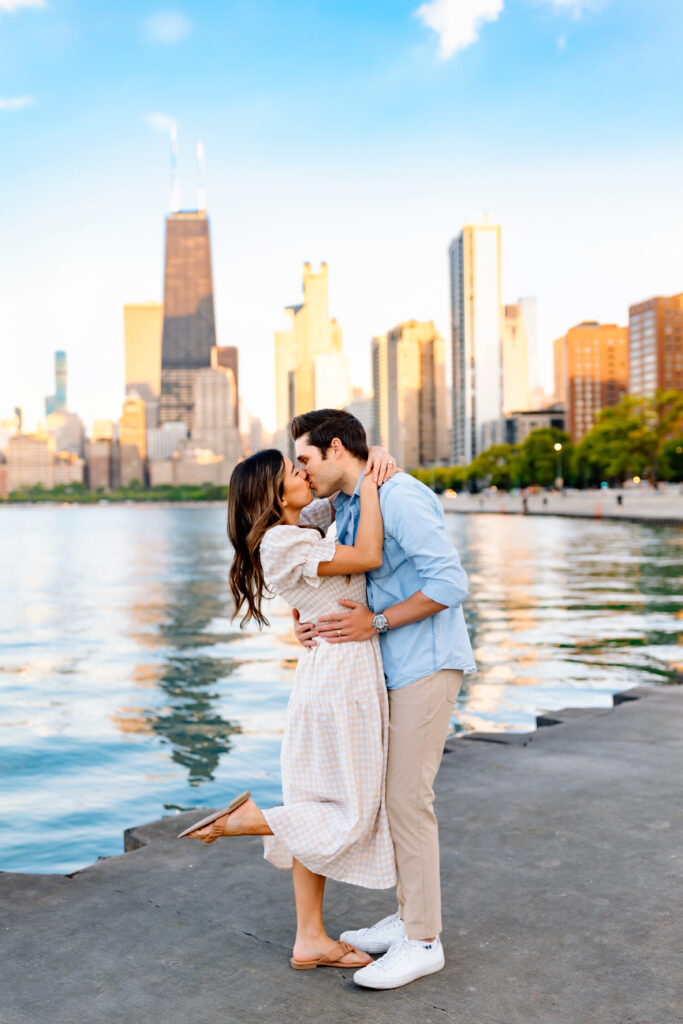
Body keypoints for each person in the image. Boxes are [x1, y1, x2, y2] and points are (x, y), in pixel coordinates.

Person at [182, 446, 398, 972]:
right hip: (342, 678)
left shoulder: (298, 527)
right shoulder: (283, 540)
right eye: (292, 472)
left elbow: (332, 494)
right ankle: (249, 821)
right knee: (351, 808)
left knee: (318, 800)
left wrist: (370, 461)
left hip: (329, 670)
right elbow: (368, 554)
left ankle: (311, 939)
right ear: (276, 496)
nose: (304, 473)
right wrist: (370, 483)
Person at [291, 408, 476, 990]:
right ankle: (407, 918)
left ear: (336, 448)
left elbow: (450, 583)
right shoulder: (348, 502)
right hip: (387, 672)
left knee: (407, 801)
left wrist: (378, 622)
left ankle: (423, 941)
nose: (300, 469)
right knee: (391, 800)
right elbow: (294, 530)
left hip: (425, 664)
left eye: (305, 459)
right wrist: (307, 620)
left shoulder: (397, 496)